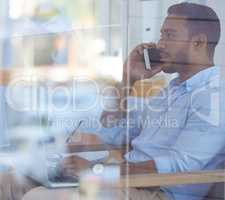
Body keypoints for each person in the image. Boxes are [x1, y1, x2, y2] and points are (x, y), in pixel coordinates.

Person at [1, 2, 225, 200]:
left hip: (158, 192)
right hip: (122, 178)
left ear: (198, 43)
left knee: (38, 197)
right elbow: (112, 129)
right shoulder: (170, 92)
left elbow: (179, 166)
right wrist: (128, 79)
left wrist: (97, 170)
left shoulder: (214, 97)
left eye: (170, 35)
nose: (160, 44)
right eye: (161, 35)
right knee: (10, 181)